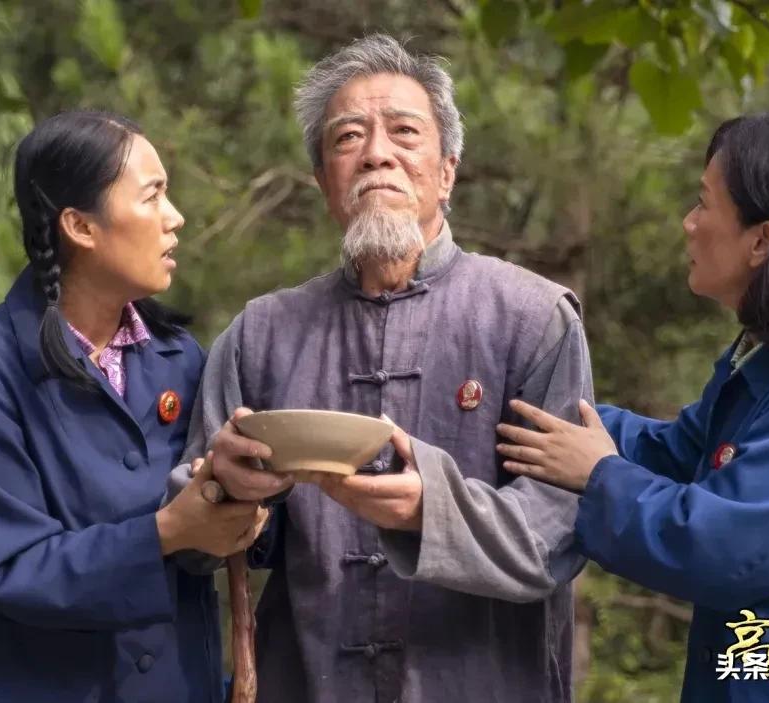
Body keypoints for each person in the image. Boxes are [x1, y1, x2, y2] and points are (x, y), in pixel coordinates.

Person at [172, 34, 592, 702]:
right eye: (347, 138)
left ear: (447, 170)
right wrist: (227, 492)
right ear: (323, 181)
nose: (376, 154)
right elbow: (192, 542)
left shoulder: (531, 317)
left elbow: (561, 529)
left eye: (404, 132)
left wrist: (432, 509)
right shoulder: (262, 332)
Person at [496, 112, 769, 702]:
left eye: (704, 204)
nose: (688, 224)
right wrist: (536, 409)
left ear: (762, 240)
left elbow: (729, 549)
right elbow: (674, 453)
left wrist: (597, 475)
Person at [0, 110, 266, 703]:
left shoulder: (178, 359)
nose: (176, 219)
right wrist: (167, 531)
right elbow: (12, 570)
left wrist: (243, 493)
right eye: (153, 197)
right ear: (80, 226)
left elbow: (208, 536)